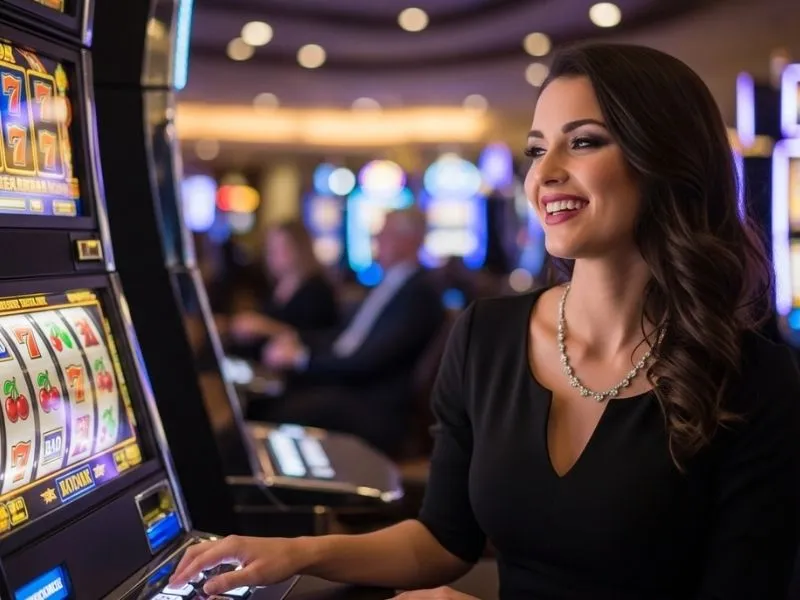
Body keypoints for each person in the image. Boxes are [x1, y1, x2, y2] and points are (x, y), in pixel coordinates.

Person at [170, 43, 800, 599]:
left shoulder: (755, 379)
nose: (544, 174)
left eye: (582, 141)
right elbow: (443, 541)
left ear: (666, 161)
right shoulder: (487, 335)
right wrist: (298, 553)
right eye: (536, 149)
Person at [251, 207, 445, 455]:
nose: (376, 240)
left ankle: (279, 490)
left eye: (384, 234)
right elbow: (347, 339)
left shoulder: (420, 293)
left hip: (376, 406)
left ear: (409, 240)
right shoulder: (388, 282)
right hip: (353, 388)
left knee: (275, 408)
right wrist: (297, 340)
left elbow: (371, 360)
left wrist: (303, 359)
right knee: (268, 394)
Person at [228, 219, 338, 350]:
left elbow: (315, 338)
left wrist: (263, 327)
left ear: (300, 248)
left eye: (281, 248)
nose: (273, 255)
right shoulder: (275, 286)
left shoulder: (317, 290)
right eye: (270, 248)